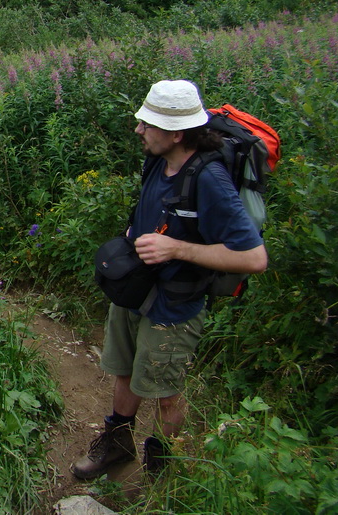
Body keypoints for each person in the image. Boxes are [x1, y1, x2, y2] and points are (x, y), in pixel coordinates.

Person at [71, 79, 268, 479]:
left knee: (165, 393)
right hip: (135, 290)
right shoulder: (159, 159)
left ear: (177, 133)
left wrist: (176, 249)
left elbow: (254, 257)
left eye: (148, 124)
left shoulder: (210, 181)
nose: (138, 130)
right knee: (124, 369)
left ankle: (161, 470)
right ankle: (117, 445)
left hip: (174, 307)